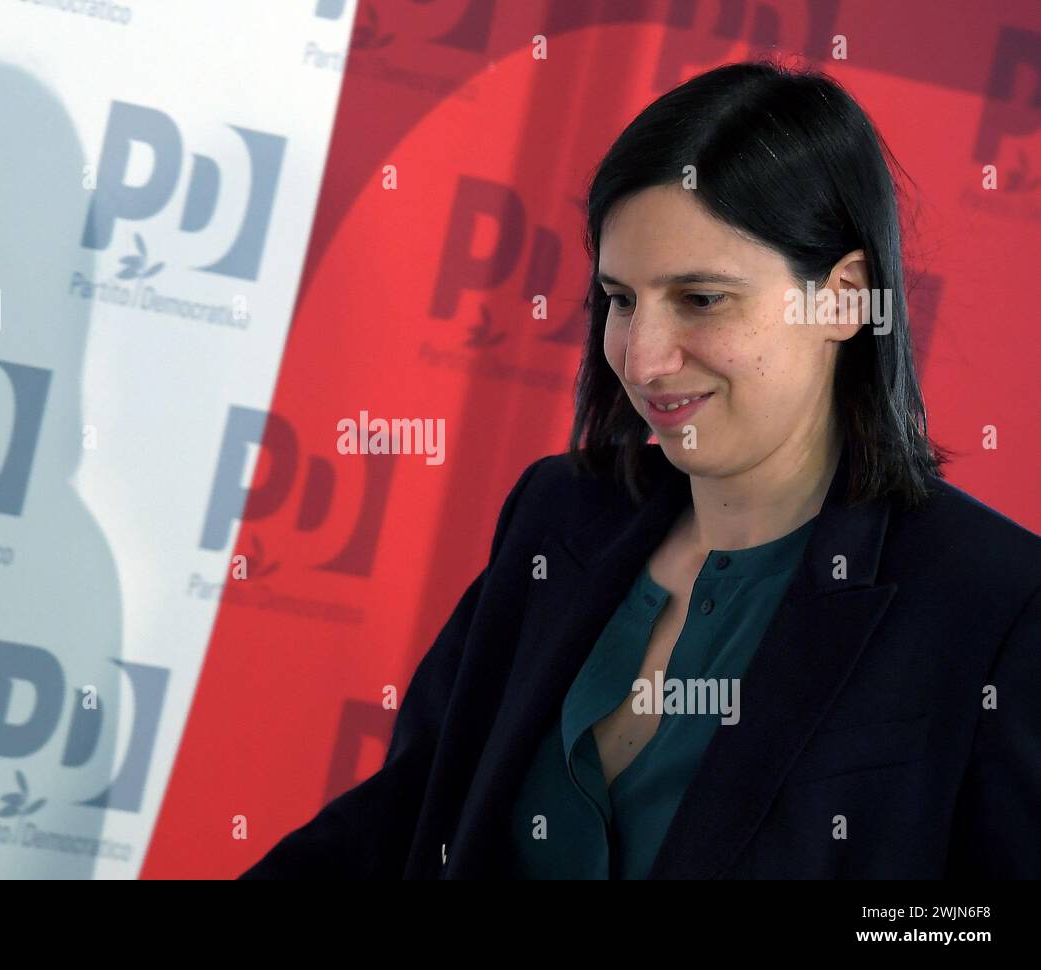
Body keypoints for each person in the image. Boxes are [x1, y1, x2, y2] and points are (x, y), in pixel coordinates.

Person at [239, 60, 1041, 879]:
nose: (644, 359)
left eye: (700, 299)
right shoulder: (558, 514)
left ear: (841, 299)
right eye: (621, 299)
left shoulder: (998, 603)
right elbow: (402, 819)